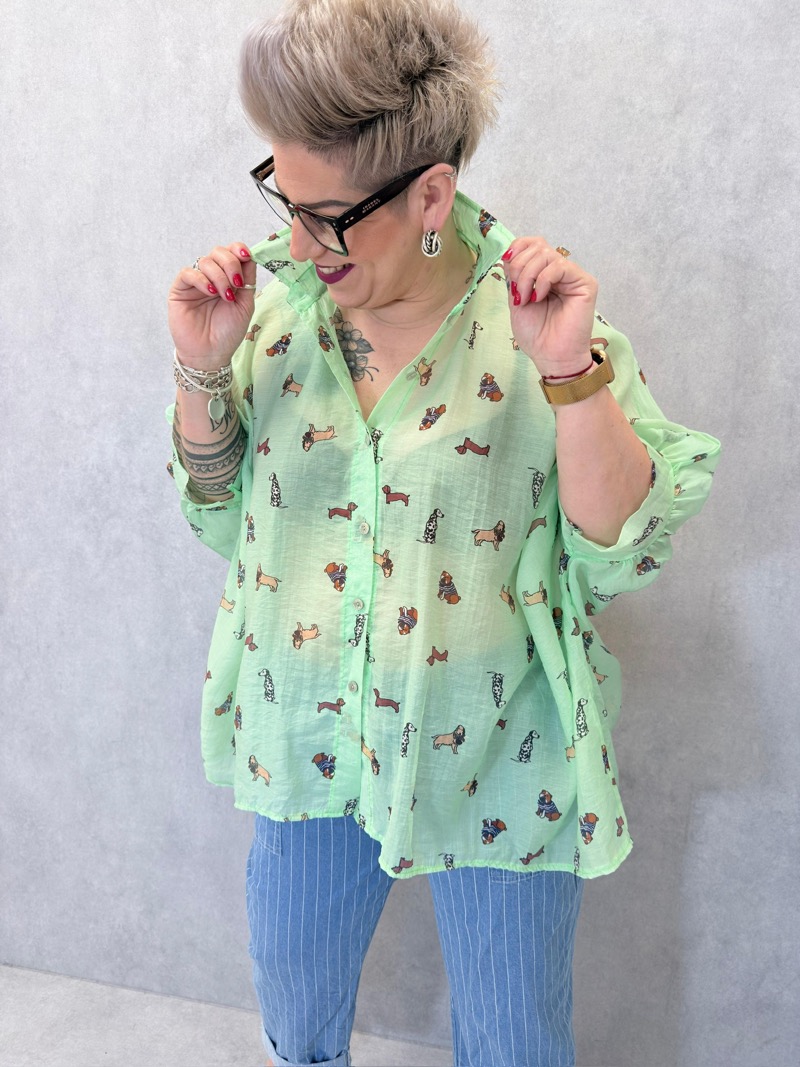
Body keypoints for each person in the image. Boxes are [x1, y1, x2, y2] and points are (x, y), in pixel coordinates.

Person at [166, 1, 720, 1064]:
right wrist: (201, 366)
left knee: (513, 1036)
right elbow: (220, 514)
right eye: (285, 199)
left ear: (430, 192)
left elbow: (622, 551)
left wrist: (568, 373)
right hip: (305, 727)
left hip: (501, 746)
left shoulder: (538, 322)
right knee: (293, 995)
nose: (300, 242)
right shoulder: (273, 317)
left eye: (329, 217)